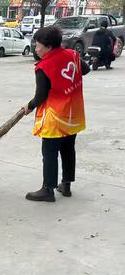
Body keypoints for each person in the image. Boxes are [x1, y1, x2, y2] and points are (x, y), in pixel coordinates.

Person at [23, 26, 90, 202]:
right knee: (68, 149)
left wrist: (28, 107)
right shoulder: (72, 55)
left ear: (49, 46)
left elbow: (41, 96)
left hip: (55, 116)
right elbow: (86, 69)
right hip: (73, 113)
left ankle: (48, 189)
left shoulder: (44, 66)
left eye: (38, 46)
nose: (36, 49)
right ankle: (66, 185)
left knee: (50, 152)